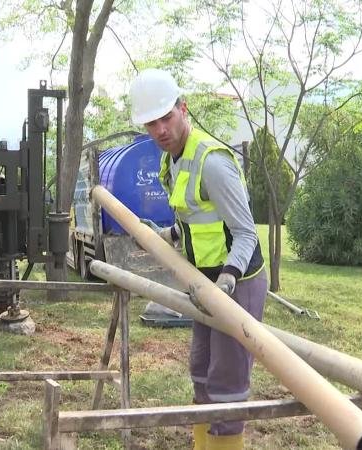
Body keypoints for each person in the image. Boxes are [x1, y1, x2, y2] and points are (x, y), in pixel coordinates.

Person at [129, 68, 267, 450]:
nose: (161, 130)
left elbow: (245, 233)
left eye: (166, 117)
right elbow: (195, 219)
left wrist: (227, 279)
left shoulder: (212, 162)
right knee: (201, 373)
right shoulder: (173, 160)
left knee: (226, 386)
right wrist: (166, 236)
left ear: (183, 109)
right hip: (204, 283)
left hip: (238, 282)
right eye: (151, 123)